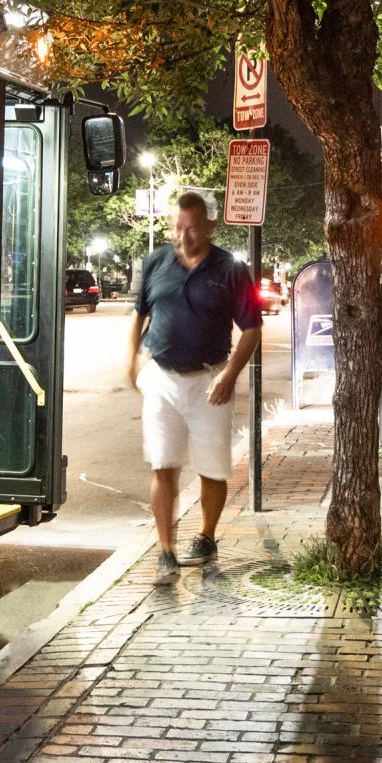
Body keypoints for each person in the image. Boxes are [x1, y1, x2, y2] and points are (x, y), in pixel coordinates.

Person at [127, 190, 262, 586]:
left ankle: (206, 537)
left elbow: (252, 328)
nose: (185, 237)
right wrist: (131, 359)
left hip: (210, 380)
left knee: (211, 468)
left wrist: (229, 374)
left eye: (193, 229)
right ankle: (166, 551)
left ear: (210, 226)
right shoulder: (157, 262)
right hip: (163, 377)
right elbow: (140, 314)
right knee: (162, 464)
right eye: (178, 228)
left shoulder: (229, 270)